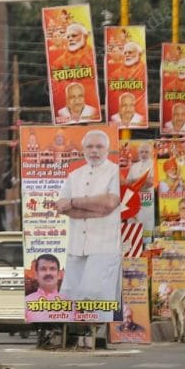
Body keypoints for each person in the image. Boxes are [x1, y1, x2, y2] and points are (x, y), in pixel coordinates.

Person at [56, 130, 121, 303]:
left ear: (107, 150)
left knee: (98, 299)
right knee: (71, 300)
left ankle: (101, 330)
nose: (94, 151)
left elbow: (109, 203)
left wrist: (74, 202)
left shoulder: (115, 172)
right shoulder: (74, 176)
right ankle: (76, 330)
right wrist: (96, 208)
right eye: (90, 146)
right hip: (76, 246)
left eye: (99, 146)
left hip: (104, 247)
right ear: (83, 150)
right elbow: (63, 207)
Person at [25, 254, 64, 322]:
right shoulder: (26, 302)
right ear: (36, 274)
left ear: (59, 274)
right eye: (43, 269)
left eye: (52, 269)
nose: (48, 273)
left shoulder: (72, 304)